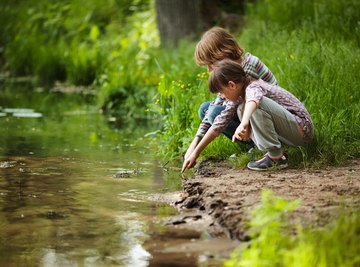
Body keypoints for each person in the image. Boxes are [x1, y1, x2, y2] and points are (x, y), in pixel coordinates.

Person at [182, 59, 314, 172]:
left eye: (221, 92)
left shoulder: (253, 86)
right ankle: (277, 153)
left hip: (301, 129)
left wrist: (244, 123)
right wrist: (195, 152)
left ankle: (276, 157)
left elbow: (254, 101)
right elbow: (218, 124)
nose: (221, 96)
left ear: (232, 85)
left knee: (253, 106)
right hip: (290, 132)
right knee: (240, 109)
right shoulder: (238, 97)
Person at [184, 26, 278, 162]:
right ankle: (253, 144)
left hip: (266, 116)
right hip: (246, 113)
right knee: (205, 109)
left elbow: (240, 105)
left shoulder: (248, 66)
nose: (209, 69)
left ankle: (261, 144)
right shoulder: (228, 72)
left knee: (215, 112)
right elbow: (217, 105)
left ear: (223, 54)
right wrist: (192, 146)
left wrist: (197, 151)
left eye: (211, 63)